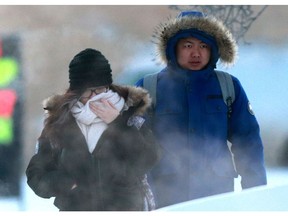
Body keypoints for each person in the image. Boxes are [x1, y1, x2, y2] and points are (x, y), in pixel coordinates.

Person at [135, 11, 267, 208]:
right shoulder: (149, 87)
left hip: (216, 196)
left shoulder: (228, 86)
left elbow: (248, 142)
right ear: (173, 48)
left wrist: (255, 193)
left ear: (213, 50)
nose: (196, 53)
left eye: (204, 46)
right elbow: (131, 146)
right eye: (188, 45)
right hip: (165, 197)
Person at [26, 48, 162, 211]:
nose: (93, 97)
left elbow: (149, 158)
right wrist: (66, 184)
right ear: (76, 91)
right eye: (87, 91)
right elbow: (36, 174)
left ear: (107, 86)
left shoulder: (129, 113)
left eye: (98, 90)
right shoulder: (60, 122)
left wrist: (117, 122)